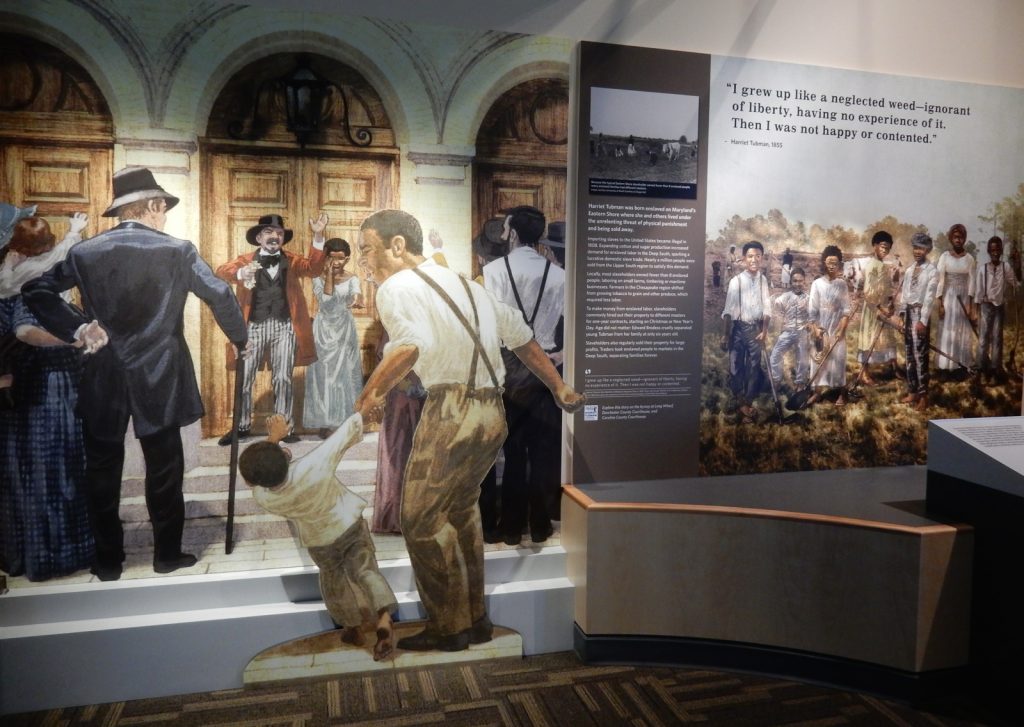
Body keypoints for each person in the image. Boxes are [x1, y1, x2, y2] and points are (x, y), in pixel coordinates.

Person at [354, 209, 584, 653]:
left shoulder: (396, 287)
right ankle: (473, 621)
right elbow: (520, 336)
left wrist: (369, 395)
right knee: (460, 514)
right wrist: (558, 386)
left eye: (367, 249)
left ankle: (448, 626)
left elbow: (408, 345)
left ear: (397, 246)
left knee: (420, 520)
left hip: (451, 409)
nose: (363, 261)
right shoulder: (464, 282)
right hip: (490, 411)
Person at [22, 167, 248, 580]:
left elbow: (34, 290)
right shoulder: (178, 250)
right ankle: (167, 556)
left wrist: (77, 328)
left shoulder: (85, 252)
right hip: (160, 375)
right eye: (163, 209)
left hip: (102, 374)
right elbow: (218, 292)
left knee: (102, 470)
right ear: (155, 206)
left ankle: (108, 562)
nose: (164, 217)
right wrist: (240, 338)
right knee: (164, 469)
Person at [241, 412, 397, 660]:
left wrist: (274, 441)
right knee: (366, 570)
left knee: (332, 580)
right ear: (284, 458)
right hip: (349, 525)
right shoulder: (312, 465)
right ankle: (385, 618)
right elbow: (344, 435)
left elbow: (259, 479)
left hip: (319, 540)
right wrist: (277, 436)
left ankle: (353, 629)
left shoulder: (263, 497)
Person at [1, 213, 94, 581]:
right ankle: (53, 555)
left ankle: (28, 554)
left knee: (32, 470)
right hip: (46, 388)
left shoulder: (11, 268)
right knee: (53, 469)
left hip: (34, 385)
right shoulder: (29, 282)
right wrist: (72, 339)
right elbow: (25, 331)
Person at [482, 205, 565, 546]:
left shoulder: (493, 270)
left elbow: (490, 326)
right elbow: (570, 328)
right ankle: (540, 523)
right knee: (541, 449)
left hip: (507, 363)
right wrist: (556, 357)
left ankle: (511, 527)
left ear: (512, 232)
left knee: (512, 450)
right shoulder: (559, 275)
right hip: (544, 366)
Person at [216, 213, 327, 444]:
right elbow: (220, 271)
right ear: (259, 238)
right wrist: (239, 273)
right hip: (253, 328)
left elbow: (314, 268)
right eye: (269, 232)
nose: (274, 237)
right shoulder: (246, 260)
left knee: (283, 378)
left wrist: (318, 235)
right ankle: (242, 427)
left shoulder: (292, 260)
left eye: (278, 233)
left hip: (285, 326)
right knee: (245, 378)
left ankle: (284, 428)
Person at [303, 238, 364, 439]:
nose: (336, 262)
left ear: (347, 259)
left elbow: (357, 296)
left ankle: (346, 420)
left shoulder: (353, 278)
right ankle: (326, 422)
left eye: (340, 259)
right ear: (325, 257)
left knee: (345, 374)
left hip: (344, 329)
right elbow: (327, 302)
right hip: (323, 329)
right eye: (331, 257)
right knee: (324, 376)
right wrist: (328, 273)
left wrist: (357, 300)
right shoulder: (317, 277)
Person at [721, 240, 771, 422]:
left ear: (762, 258)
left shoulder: (763, 280)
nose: (754, 260)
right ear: (744, 259)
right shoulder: (736, 281)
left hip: (756, 329)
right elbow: (728, 310)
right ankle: (740, 400)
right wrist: (726, 335)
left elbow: (767, 308)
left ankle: (748, 404)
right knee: (735, 366)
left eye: (758, 256)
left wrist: (764, 331)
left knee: (754, 367)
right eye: (750, 256)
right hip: (738, 329)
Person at [807, 245, 852, 407]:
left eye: (835, 262)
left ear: (839, 264)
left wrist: (841, 329)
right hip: (820, 328)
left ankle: (842, 392)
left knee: (838, 360)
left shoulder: (842, 285)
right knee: (818, 360)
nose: (832, 265)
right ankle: (817, 393)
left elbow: (846, 311)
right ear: (824, 263)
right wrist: (816, 330)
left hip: (837, 327)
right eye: (829, 262)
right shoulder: (817, 284)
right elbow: (812, 311)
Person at [898, 232, 938, 409]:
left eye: (921, 248)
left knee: (920, 356)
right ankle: (912, 392)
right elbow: (904, 295)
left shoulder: (932, 272)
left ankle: (923, 396)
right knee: (909, 355)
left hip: (920, 315)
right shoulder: (909, 270)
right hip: (908, 313)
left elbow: (929, 298)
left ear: (928, 250)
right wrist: (901, 315)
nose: (917, 251)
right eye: (915, 247)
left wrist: (922, 320)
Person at [856, 231, 898, 384]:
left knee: (886, 338)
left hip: (883, 307)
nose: (884, 250)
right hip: (873, 308)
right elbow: (868, 292)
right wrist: (880, 308)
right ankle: (864, 373)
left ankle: (894, 368)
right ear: (874, 246)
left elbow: (887, 288)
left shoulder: (883, 266)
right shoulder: (872, 266)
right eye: (882, 247)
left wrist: (891, 301)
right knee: (868, 339)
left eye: (887, 248)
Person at [935, 223, 977, 379]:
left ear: (964, 239)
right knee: (948, 331)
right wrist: (940, 303)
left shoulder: (969, 259)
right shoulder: (944, 257)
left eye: (960, 237)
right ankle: (946, 368)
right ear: (951, 239)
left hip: (963, 298)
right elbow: (940, 280)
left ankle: (961, 367)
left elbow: (972, 282)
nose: (958, 240)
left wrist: (970, 305)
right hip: (948, 297)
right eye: (955, 237)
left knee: (961, 331)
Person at [974, 235, 1018, 382]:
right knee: (983, 339)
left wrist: (1017, 263)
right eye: (992, 250)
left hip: (999, 306)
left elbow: (1016, 283)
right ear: (988, 251)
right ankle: (980, 370)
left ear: (1001, 251)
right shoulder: (983, 269)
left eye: (997, 249)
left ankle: (994, 370)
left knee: (997, 339)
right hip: (986, 306)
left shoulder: (1005, 267)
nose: (995, 252)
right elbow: (978, 292)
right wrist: (976, 309)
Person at [768, 267, 810, 394]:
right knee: (775, 355)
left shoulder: (809, 298)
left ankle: (800, 383)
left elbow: (813, 316)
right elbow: (778, 315)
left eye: (800, 281)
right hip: (787, 331)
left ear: (804, 281)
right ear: (791, 282)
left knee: (802, 357)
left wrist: (809, 325)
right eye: (795, 281)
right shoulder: (784, 297)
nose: (797, 284)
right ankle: (776, 380)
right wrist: (778, 331)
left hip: (802, 331)